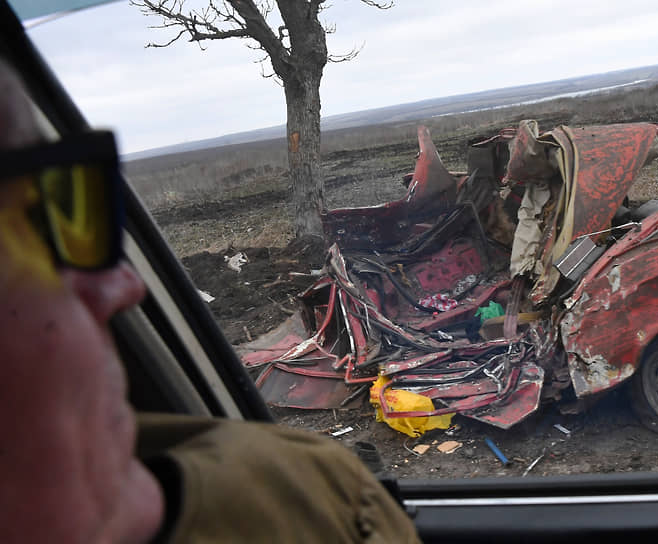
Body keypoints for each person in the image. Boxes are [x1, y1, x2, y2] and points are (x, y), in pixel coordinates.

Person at [0, 58, 420, 543]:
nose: (125, 287)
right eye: (32, 223)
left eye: (69, 199)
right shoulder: (304, 502)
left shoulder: (310, 495)